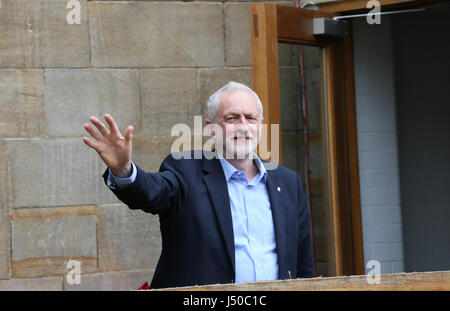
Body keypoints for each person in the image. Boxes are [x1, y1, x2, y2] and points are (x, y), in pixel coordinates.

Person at [83, 81, 314, 289]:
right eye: (231, 118)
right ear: (211, 129)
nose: (243, 126)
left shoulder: (288, 182)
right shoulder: (185, 171)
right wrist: (123, 170)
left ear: (260, 126)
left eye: (250, 118)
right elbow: (150, 192)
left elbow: (303, 265)